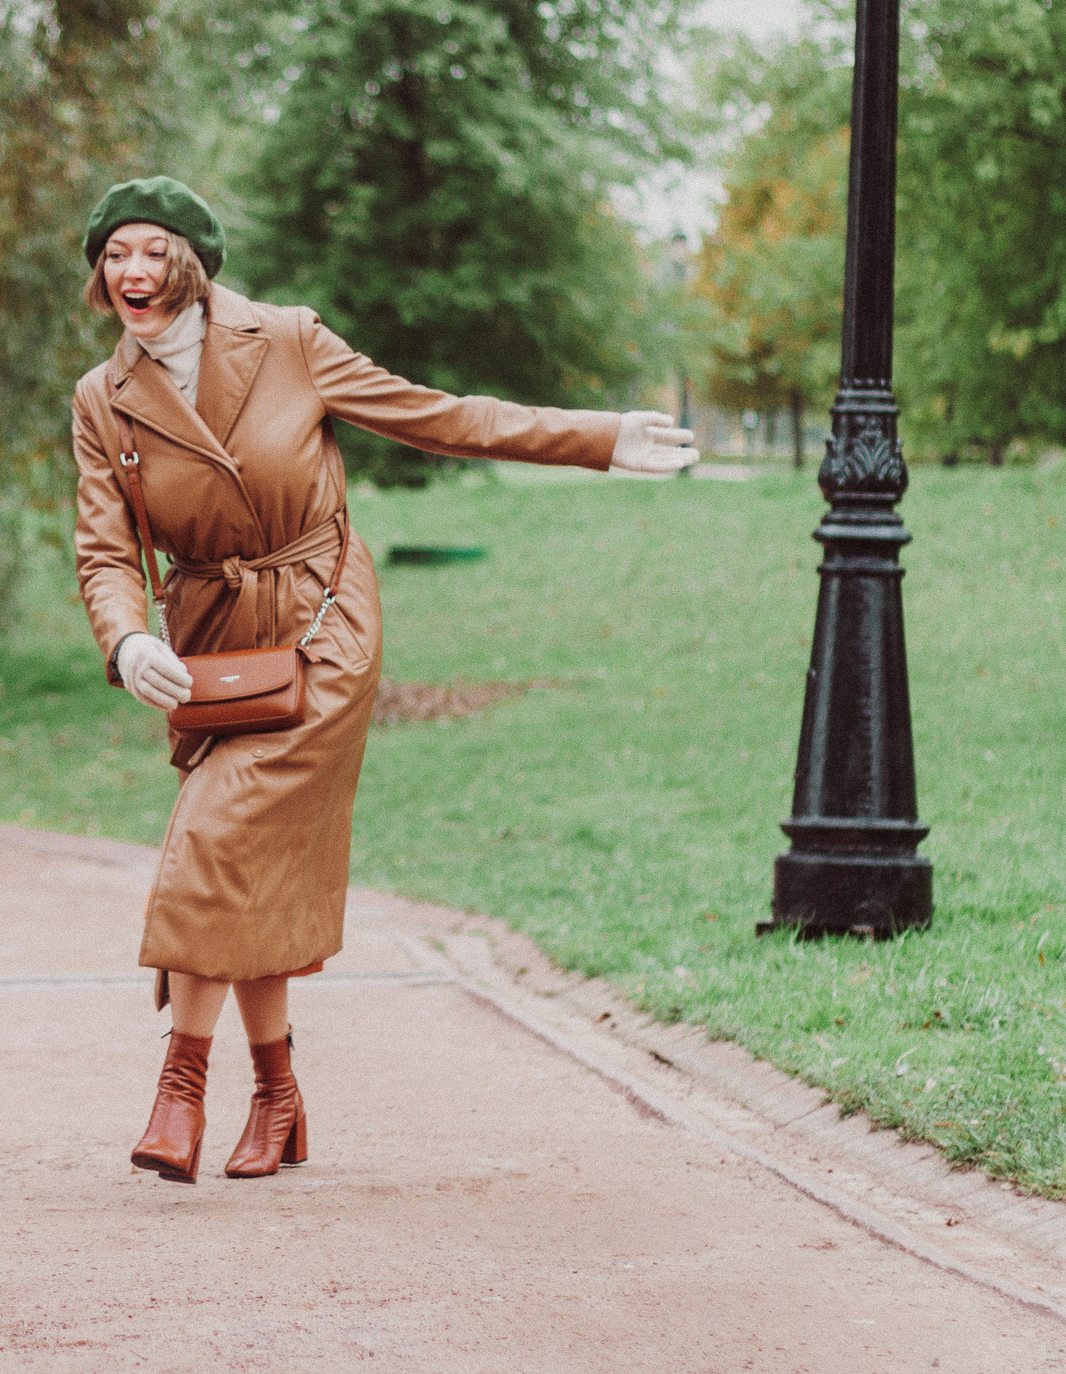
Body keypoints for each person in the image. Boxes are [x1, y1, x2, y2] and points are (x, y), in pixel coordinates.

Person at [69, 178, 695, 1184]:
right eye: (114, 256)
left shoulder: (287, 341)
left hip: (322, 624)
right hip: (211, 652)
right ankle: (277, 1099)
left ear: (190, 263)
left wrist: (595, 439)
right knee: (249, 864)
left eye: (151, 251)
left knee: (212, 839)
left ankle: (178, 1091)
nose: (131, 273)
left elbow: (441, 419)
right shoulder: (103, 399)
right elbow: (104, 551)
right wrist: (126, 638)